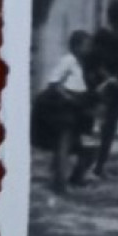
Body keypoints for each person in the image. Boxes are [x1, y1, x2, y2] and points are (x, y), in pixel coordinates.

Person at [37, 30, 95, 193]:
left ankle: (78, 175)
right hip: (67, 107)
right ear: (76, 47)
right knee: (65, 143)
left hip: (82, 105)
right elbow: (53, 83)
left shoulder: (83, 63)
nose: (89, 49)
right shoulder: (68, 61)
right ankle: (60, 182)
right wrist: (68, 98)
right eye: (86, 45)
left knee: (89, 142)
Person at [88, 2, 118, 178]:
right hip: (103, 87)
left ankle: (100, 165)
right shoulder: (103, 35)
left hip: (115, 88)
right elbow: (96, 62)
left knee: (110, 129)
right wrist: (110, 79)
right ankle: (88, 165)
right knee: (97, 127)